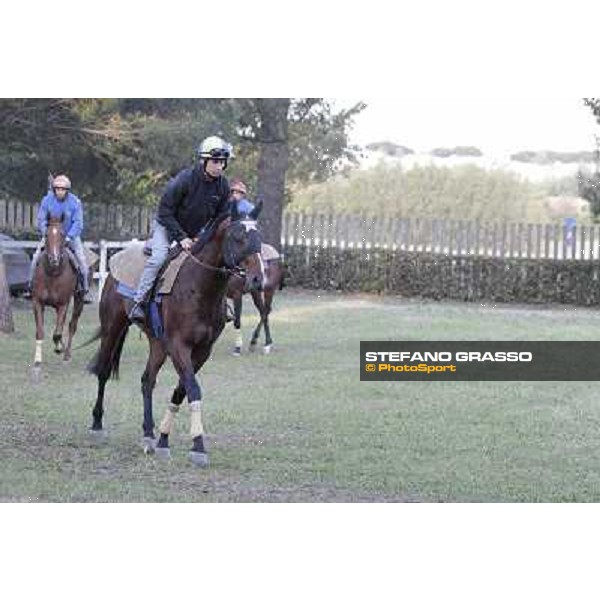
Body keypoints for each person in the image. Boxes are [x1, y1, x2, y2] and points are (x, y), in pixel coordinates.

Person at [129, 135, 233, 321]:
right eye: (216, 161)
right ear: (204, 160)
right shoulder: (184, 180)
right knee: (159, 258)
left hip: (195, 232)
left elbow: (221, 217)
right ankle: (139, 301)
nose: (220, 166)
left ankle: (224, 305)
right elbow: (164, 211)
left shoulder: (223, 186)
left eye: (223, 162)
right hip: (167, 227)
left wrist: (204, 236)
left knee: (220, 260)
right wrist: (181, 237)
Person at [26, 174, 93, 303]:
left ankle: (84, 290)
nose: (60, 191)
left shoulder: (75, 202)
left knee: (82, 261)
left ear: (67, 191)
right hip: (51, 236)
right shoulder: (46, 200)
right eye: (57, 189)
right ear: (54, 189)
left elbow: (78, 223)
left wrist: (69, 237)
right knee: (35, 259)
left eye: (63, 189)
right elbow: (41, 220)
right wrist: (47, 233)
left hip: (70, 236)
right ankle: (30, 287)